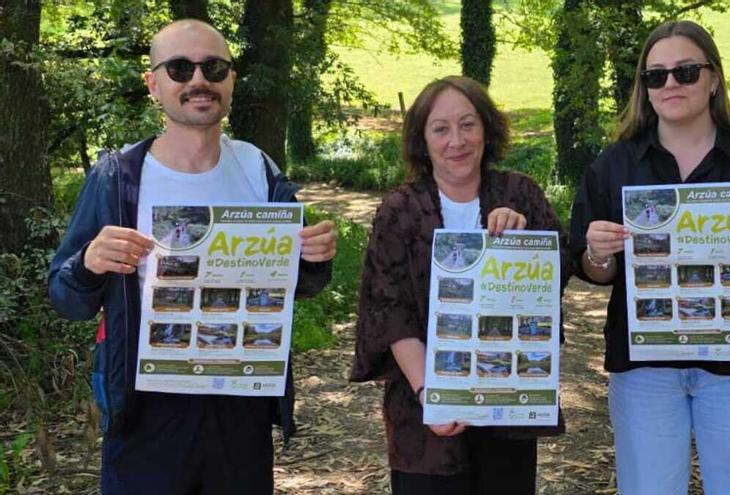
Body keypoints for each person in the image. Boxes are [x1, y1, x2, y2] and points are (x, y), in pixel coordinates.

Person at [47, 19, 337, 495]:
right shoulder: (118, 177)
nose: (198, 80)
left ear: (231, 79)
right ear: (153, 84)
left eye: (213, 67)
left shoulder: (258, 169)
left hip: (241, 401)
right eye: (180, 68)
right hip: (145, 410)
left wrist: (314, 257)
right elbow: (65, 299)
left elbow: (301, 284)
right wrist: (89, 264)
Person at [569, 20, 730, 495]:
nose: (670, 84)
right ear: (643, 87)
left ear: (713, 78)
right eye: (655, 75)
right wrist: (597, 252)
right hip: (645, 367)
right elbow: (596, 272)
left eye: (685, 71)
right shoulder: (614, 166)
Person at [350, 75, 569, 495]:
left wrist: (524, 242)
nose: (457, 140)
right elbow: (389, 310)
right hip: (425, 407)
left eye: (468, 124)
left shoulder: (520, 193)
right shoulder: (399, 210)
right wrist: (433, 395)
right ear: (422, 139)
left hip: (508, 397)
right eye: (441, 128)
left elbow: (559, 268)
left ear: (487, 129)